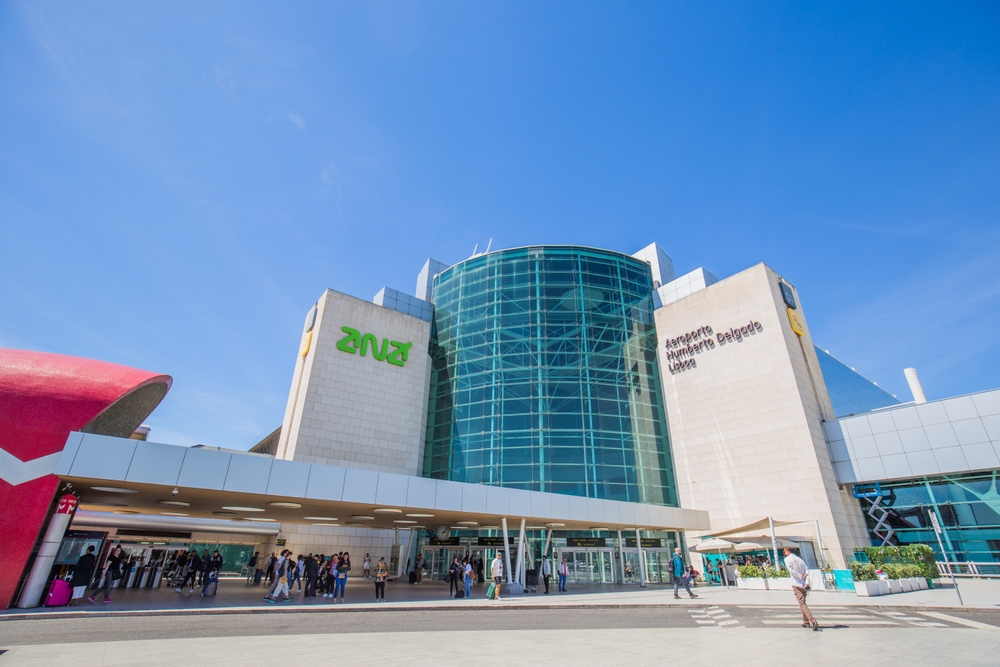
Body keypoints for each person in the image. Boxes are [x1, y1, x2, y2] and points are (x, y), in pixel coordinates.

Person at [784, 547, 818, 630]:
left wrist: (800, 577)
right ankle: (805, 622)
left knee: (802, 604)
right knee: (803, 603)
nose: (784, 553)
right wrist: (806, 582)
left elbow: (791, 571)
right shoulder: (800, 559)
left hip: (796, 583)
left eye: (785, 551)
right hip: (803, 585)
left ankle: (813, 621)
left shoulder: (787, 559)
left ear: (788, 551)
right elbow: (807, 571)